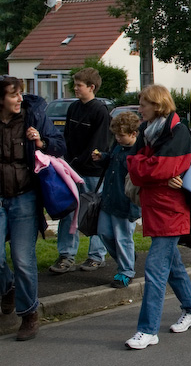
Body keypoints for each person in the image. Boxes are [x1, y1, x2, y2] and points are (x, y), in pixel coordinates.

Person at [125, 85, 191, 350]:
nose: (139, 109)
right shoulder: (152, 130)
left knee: (155, 270)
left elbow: (155, 168)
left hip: (171, 211)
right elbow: (139, 165)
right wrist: (146, 169)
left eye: (143, 104)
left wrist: (142, 168)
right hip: (157, 209)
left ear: (157, 105)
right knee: (173, 267)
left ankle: (148, 330)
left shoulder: (177, 132)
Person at [0, 76, 65, 341]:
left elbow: (59, 145)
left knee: (22, 258)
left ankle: (28, 313)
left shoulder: (33, 117)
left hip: (25, 197)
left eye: (20, 94)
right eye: (13, 95)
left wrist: (40, 142)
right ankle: (8, 288)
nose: (19, 99)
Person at [50, 68, 110, 273]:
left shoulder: (100, 111)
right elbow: (67, 136)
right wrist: (65, 159)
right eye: (75, 85)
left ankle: (97, 255)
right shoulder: (74, 108)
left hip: (92, 171)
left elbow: (98, 143)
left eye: (79, 85)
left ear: (91, 87)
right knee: (69, 211)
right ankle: (66, 254)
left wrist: (78, 161)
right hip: (71, 169)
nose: (75, 88)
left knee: (94, 212)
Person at [91, 111, 142, 289]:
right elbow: (112, 161)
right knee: (104, 233)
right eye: (116, 136)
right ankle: (127, 258)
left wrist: (134, 209)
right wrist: (103, 157)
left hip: (125, 202)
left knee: (123, 238)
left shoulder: (137, 152)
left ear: (133, 134)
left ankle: (126, 271)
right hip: (109, 198)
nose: (118, 139)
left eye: (121, 136)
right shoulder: (118, 146)